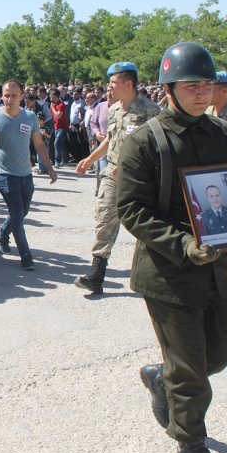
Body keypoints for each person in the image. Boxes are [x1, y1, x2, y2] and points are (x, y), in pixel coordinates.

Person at [118, 42, 227, 453]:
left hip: (218, 269)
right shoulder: (146, 141)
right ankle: (191, 445)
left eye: (207, 85)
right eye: (191, 86)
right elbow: (132, 209)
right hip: (169, 275)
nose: (202, 94)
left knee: (221, 352)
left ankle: (162, 379)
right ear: (169, 89)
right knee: (190, 372)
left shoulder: (225, 135)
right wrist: (183, 244)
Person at [75, 62, 160, 294]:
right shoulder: (113, 109)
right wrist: (90, 159)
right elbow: (110, 140)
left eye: (113, 83)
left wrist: (129, 166)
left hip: (139, 177)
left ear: (128, 84)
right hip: (112, 174)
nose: (109, 87)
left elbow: (156, 147)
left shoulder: (151, 111)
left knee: (144, 223)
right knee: (104, 218)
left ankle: (155, 273)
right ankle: (96, 274)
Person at [0, 79, 57, 269]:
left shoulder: (29, 117)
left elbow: (38, 144)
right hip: (4, 173)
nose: (9, 99)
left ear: (22, 96)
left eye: (13, 95)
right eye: (6, 95)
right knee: (17, 214)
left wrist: (49, 167)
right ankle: (26, 256)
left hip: (25, 173)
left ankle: (1, 234)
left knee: (22, 211)